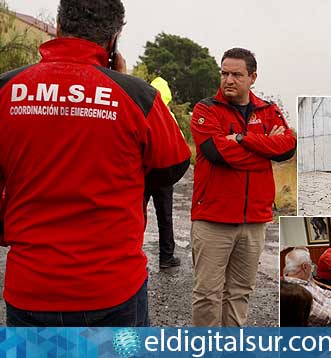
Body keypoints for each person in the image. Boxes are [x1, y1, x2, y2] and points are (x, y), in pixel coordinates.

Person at [0, 0, 191, 327]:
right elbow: (172, 164)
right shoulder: (137, 95)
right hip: (113, 288)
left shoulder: (6, 89)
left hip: (31, 285)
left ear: (59, 28)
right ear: (113, 41)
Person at [189, 47, 297, 326]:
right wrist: (264, 149)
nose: (228, 80)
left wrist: (241, 138)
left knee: (240, 292)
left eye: (237, 74)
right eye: (224, 73)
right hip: (213, 218)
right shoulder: (205, 110)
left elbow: (287, 148)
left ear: (253, 77)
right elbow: (216, 153)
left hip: (255, 220)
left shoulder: (268, 109)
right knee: (207, 294)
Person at [144, 76, 181, 269]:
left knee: (137, 215)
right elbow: (179, 145)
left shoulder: (142, 110)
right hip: (165, 174)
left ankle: (132, 254)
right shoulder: (170, 116)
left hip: (143, 173)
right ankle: (166, 257)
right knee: (165, 217)